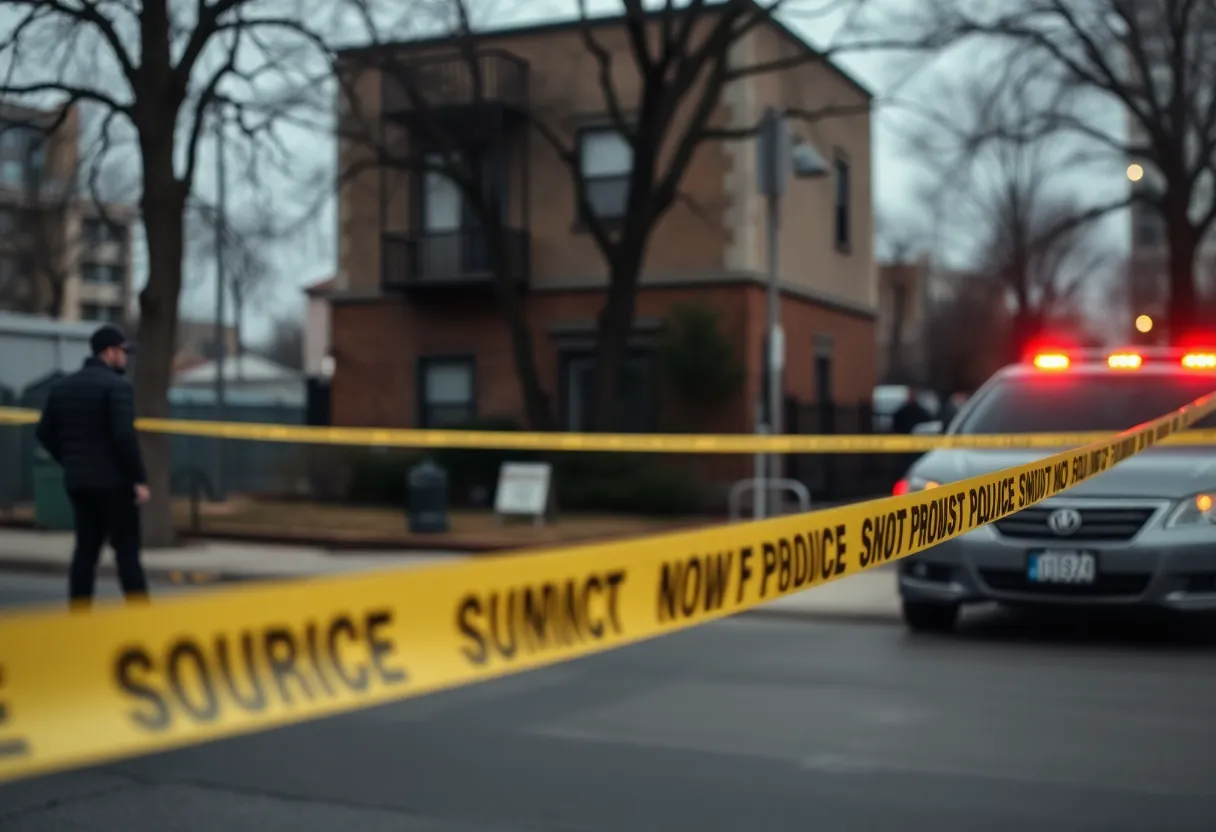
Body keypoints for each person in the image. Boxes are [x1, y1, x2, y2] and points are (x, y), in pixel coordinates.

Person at [35, 324, 150, 610]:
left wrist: (70, 459)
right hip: (115, 485)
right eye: (122, 352)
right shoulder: (117, 387)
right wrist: (138, 478)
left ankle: (80, 614)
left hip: (79, 483)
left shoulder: (62, 387)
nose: (125, 358)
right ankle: (142, 615)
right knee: (126, 553)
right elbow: (124, 437)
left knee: (85, 552)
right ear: (109, 352)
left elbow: (44, 433)